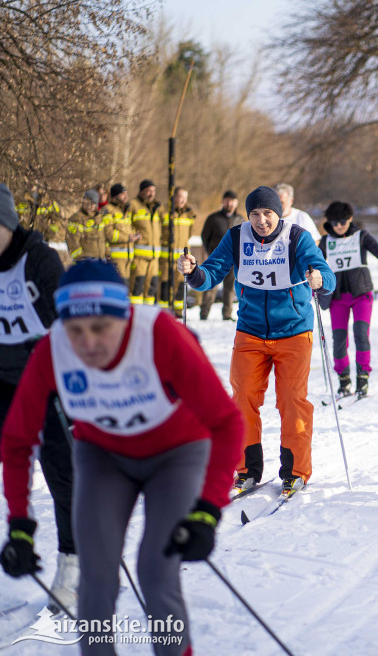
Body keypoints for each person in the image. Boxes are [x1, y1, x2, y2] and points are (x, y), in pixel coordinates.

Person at [0, 259, 243, 654]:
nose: (88, 342)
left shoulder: (160, 335)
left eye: (100, 328)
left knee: (155, 567)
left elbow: (227, 422)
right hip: (105, 458)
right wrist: (20, 526)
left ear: (125, 317)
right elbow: (17, 440)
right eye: (75, 330)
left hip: (176, 455)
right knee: (95, 575)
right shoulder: (53, 349)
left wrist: (208, 508)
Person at [178, 186, 335, 495]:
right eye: (255, 214)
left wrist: (319, 278)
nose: (262, 221)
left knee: (291, 401)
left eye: (268, 214)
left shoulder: (296, 237)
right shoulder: (237, 237)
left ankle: (295, 470)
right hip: (250, 331)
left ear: (278, 213)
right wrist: (194, 272)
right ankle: (247, 469)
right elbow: (212, 271)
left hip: (292, 331)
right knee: (242, 399)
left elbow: (325, 273)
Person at [0, 183, 76, 612]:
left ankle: (74, 563)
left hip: (51, 381)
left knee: (62, 474)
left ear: (8, 223)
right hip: (4, 380)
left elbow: (75, 323)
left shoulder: (39, 261)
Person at [318, 201, 378, 398]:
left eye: (343, 221)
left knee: (360, 333)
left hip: (361, 294)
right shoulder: (325, 242)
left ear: (350, 219)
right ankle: (344, 379)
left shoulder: (361, 236)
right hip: (338, 297)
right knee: (339, 339)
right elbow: (314, 263)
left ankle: (363, 376)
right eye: (335, 222)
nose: (339, 225)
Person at [198, 191, 244, 321]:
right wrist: (211, 252)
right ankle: (204, 313)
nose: (229, 203)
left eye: (232, 200)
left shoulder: (240, 220)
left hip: (233, 260)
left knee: (229, 288)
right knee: (211, 286)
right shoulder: (213, 218)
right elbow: (205, 236)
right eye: (227, 200)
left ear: (236, 202)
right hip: (216, 260)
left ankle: (227, 314)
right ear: (223, 202)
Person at [161, 187, 196, 316]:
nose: (183, 200)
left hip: (182, 258)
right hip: (166, 257)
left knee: (181, 285)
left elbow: (190, 233)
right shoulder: (165, 212)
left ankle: (178, 311)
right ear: (174, 197)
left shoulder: (189, 213)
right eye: (180, 197)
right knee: (165, 285)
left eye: (185, 198)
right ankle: (164, 312)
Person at [128, 179, 163, 305]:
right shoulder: (133, 205)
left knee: (151, 288)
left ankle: (148, 316)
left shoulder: (157, 208)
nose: (151, 194)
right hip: (139, 256)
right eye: (148, 191)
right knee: (137, 287)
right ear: (142, 191)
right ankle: (135, 314)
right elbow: (126, 224)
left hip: (154, 257)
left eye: (153, 191)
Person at [104, 183, 138, 280]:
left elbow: (127, 229)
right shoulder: (108, 210)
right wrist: (128, 238)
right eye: (123, 193)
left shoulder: (126, 210)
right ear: (115, 195)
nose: (126, 196)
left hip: (128, 258)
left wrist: (135, 234)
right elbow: (109, 233)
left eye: (126, 193)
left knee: (126, 288)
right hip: (116, 258)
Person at [66, 189, 109, 262]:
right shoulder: (76, 219)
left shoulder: (99, 218)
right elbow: (72, 242)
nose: (90, 206)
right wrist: (80, 259)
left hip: (101, 260)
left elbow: (104, 238)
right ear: (83, 202)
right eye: (88, 202)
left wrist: (107, 253)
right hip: (86, 261)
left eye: (93, 203)